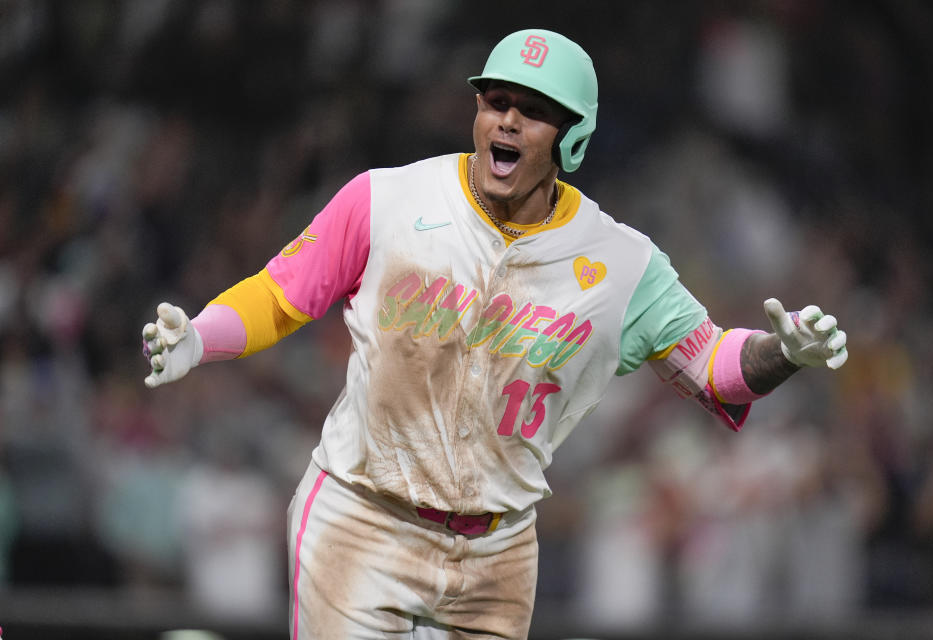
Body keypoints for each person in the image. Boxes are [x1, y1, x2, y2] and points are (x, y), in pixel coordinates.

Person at [141, 28, 848, 640]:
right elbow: (282, 294)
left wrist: (783, 352)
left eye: (534, 112)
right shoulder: (387, 199)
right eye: (496, 101)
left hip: (500, 548)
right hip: (362, 517)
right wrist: (200, 337)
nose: (507, 122)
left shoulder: (624, 264)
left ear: (573, 136)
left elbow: (716, 366)